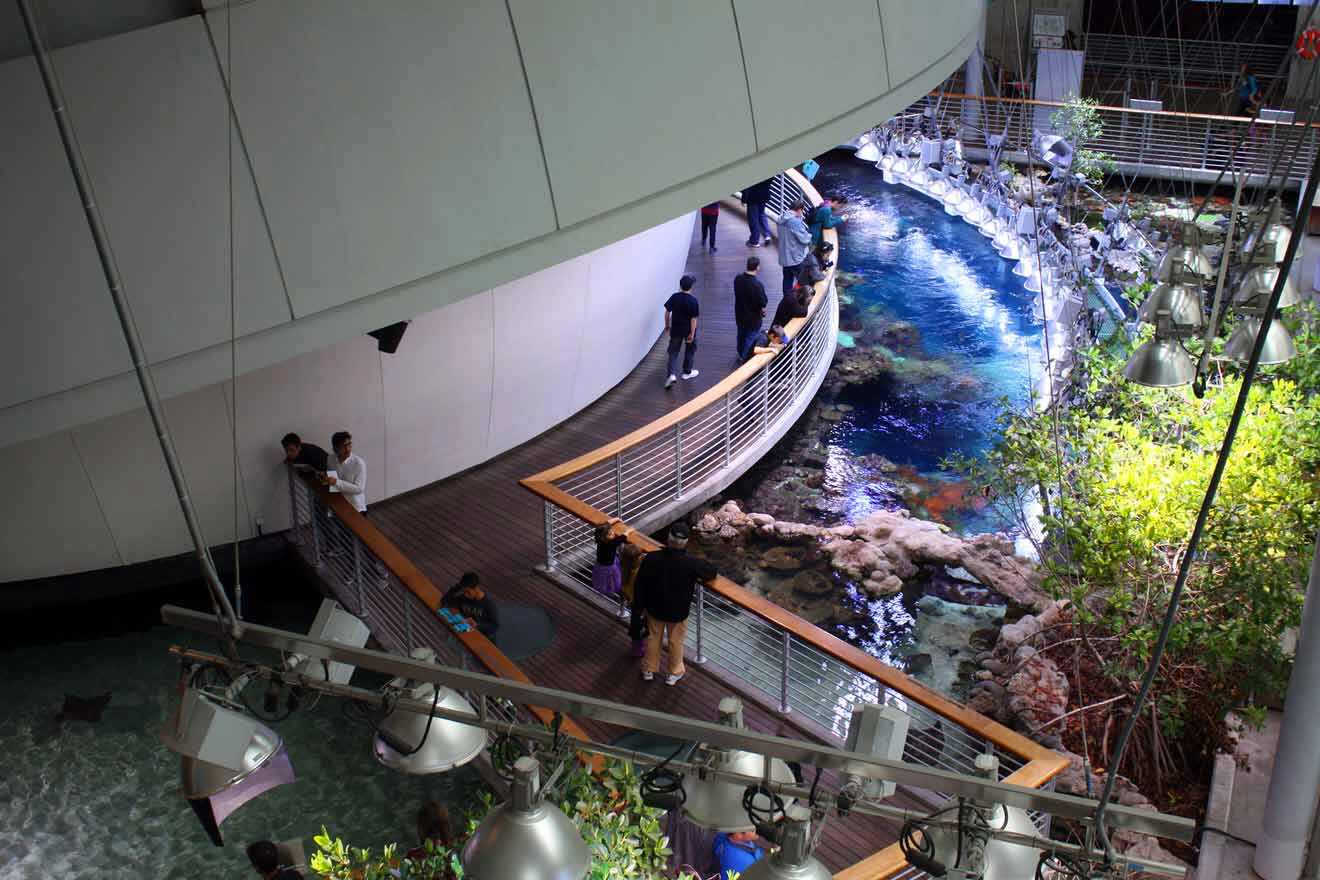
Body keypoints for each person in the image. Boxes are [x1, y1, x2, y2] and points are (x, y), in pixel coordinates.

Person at [634, 521, 717, 685]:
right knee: (675, 642)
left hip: (654, 608)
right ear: (685, 542)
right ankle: (674, 673)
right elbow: (711, 572)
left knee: (653, 639)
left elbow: (640, 584)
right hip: (678, 612)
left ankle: (648, 670)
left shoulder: (651, 558)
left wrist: (639, 607)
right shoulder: (691, 563)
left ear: (668, 538)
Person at [663, 275, 701, 389]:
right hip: (688, 330)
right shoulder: (693, 301)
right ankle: (687, 372)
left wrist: (667, 325)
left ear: (680, 286)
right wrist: (692, 334)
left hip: (676, 330)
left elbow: (667, 312)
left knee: (673, 353)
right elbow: (694, 319)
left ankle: (671, 375)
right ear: (691, 287)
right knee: (690, 350)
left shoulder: (674, 297)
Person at [320, 430, 366, 513]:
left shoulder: (359, 463)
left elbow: (359, 489)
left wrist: (336, 482)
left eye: (349, 444)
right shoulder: (330, 459)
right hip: (337, 504)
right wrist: (326, 478)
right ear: (335, 448)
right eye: (344, 446)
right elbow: (333, 483)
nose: (348, 449)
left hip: (355, 507)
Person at [443, 572, 500, 639]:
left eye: (468, 592)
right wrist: (457, 587)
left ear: (476, 588)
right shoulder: (464, 598)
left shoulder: (489, 604)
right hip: (465, 635)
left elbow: (494, 626)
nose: (465, 594)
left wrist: (477, 625)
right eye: (464, 591)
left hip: (482, 638)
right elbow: (445, 601)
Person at [733, 256, 768, 363]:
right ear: (757, 267)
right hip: (753, 318)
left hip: (740, 314)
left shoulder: (738, 279)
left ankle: (740, 353)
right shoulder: (757, 285)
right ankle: (745, 358)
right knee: (750, 338)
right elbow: (763, 302)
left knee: (741, 335)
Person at [775, 201, 812, 295]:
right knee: (803, 280)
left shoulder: (782, 218)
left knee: (787, 280)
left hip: (785, 256)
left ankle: (787, 299)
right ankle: (801, 301)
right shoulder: (794, 221)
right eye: (802, 211)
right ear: (800, 209)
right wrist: (810, 236)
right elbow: (804, 238)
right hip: (795, 257)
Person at [619, 542, 648, 657]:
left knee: (636, 625)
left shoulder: (624, 568)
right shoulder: (637, 573)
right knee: (642, 626)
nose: (642, 556)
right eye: (640, 555)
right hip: (640, 603)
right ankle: (639, 650)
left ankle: (636, 648)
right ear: (635, 559)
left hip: (633, 602)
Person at [591, 518, 630, 596]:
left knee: (601, 579)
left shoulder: (600, 539)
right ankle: (610, 591)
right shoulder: (611, 543)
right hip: (608, 567)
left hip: (600, 564)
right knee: (611, 580)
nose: (613, 534)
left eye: (612, 531)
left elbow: (606, 524)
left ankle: (604, 588)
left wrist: (616, 519)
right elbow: (623, 537)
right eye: (610, 534)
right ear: (604, 537)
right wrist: (629, 530)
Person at [742, 177, 775, 246]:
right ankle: (767, 235)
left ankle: (754, 241)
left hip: (753, 197)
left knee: (753, 218)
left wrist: (744, 199)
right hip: (764, 195)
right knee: (761, 214)